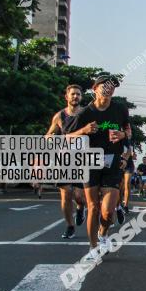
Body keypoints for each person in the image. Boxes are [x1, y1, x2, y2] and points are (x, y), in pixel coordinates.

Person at [69, 74, 131, 262]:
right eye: (104, 85)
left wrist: (122, 136)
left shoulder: (120, 110)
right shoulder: (85, 113)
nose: (109, 88)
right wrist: (84, 130)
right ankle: (93, 246)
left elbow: (128, 131)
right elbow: (67, 137)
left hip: (113, 162)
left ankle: (103, 234)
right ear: (95, 89)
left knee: (108, 210)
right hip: (90, 161)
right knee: (93, 207)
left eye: (112, 85)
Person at [44, 84, 87, 239]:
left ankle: (81, 207)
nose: (75, 97)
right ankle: (70, 226)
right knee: (66, 194)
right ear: (67, 97)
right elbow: (48, 135)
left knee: (79, 196)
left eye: (78, 94)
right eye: (73, 94)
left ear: (81, 97)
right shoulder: (59, 116)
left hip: (82, 159)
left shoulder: (86, 114)